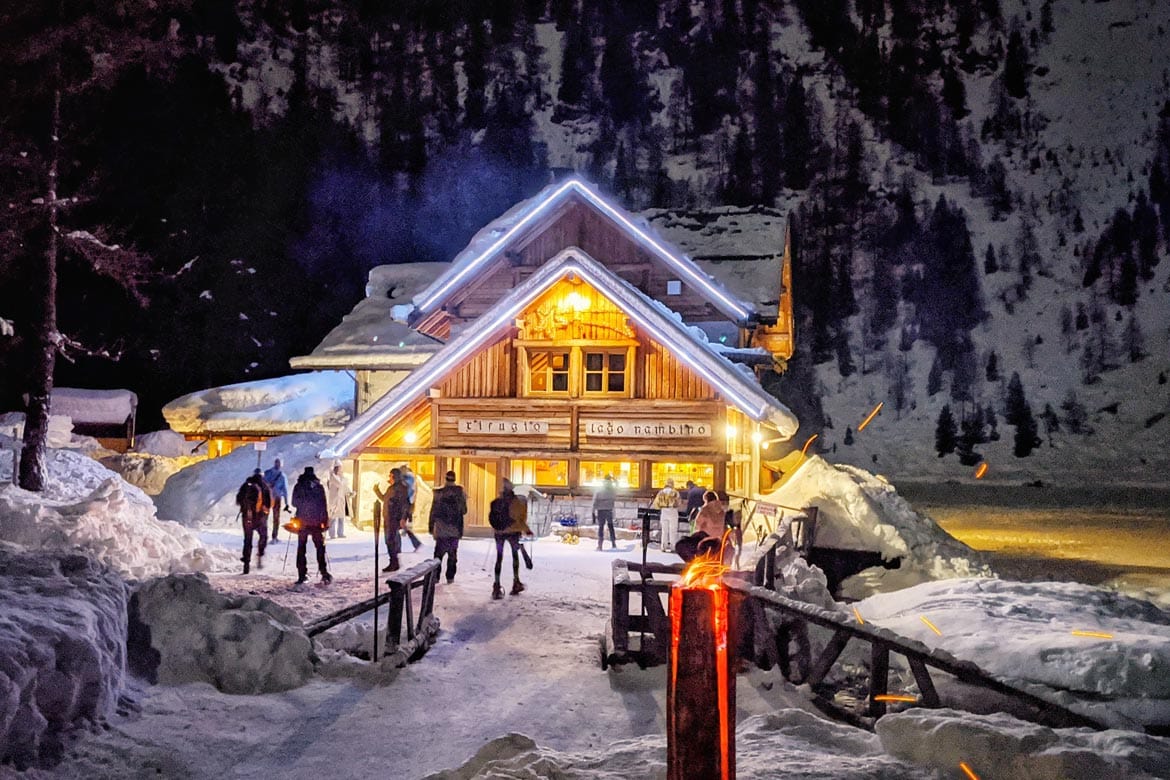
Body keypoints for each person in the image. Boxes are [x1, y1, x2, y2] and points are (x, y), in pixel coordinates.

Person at [490, 479, 531, 599]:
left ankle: (496, 586)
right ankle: (516, 582)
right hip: (513, 532)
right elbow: (520, 520)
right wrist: (526, 530)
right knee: (515, 557)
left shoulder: (497, 502)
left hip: (499, 533)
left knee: (499, 558)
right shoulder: (517, 502)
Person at [290, 466, 332, 585]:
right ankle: (324, 573)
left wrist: (302, 505)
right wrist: (325, 521)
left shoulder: (299, 486)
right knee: (319, 547)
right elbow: (323, 505)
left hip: (302, 521)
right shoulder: (318, 487)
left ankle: (302, 574)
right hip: (316, 522)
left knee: (301, 548)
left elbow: (294, 502)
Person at [428, 470, 466, 584]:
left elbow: (433, 511)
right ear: (455, 479)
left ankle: (435, 577)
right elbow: (464, 510)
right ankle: (450, 577)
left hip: (441, 529)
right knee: (452, 554)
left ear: (445, 478)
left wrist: (431, 527)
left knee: (438, 555)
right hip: (454, 530)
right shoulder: (460, 493)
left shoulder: (438, 493)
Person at [235, 469, 272, 574]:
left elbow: (238, 499)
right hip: (260, 518)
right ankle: (260, 554)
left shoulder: (246, 485)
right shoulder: (265, 486)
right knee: (263, 536)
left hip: (247, 517)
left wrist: (245, 508)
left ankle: (246, 562)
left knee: (247, 540)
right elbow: (269, 503)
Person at [373, 467, 410, 573]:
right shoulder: (392, 488)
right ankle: (393, 562)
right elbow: (385, 499)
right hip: (388, 519)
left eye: (390, 475)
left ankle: (394, 563)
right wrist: (377, 491)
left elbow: (405, 505)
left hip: (394, 519)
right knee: (389, 541)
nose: (389, 477)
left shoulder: (401, 489)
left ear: (394, 476)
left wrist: (403, 518)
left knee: (391, 541)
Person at [675, 490, 726, 562]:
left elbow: (698, 523)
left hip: (706, 537)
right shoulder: (722, 510)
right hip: (719, 538)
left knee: (682, 544)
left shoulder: (705, 509)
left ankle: (693, 562)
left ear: (706, 499)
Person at [263, 458, 290, 542]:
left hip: (267, 497)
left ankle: (264, 535)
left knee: (265, 517)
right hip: (277, 498)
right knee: (276, 518)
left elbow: (262, 483)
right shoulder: (282, 476)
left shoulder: (267, 473)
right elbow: (285, 490)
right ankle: (274, 537)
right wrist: (286, 503)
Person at [651, 478, 681, 554]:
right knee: (673, 530)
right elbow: (679, 502)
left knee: (664, 530)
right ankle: (672, 546)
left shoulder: (661, 492)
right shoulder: (675, 492)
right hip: (673, 511)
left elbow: (656, 504)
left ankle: (663, 546)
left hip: (664, 511)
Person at [325, 461, 352, 540]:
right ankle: (332, 534)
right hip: (334, 500)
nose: (339, 470)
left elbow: (345, 487)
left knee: (341, 518)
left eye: (340, 468)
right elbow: (339, 484)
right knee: (333, 518)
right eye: (338, 468)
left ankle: (340, 533)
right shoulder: (332, 477)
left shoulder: (342, 478)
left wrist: (350, 493)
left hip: (341, 501)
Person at [399, 464, 423, 552]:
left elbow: (408, 490)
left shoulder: (409, 478)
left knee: (401, 524)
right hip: (408, 503)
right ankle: (415, 542)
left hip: (407, 503)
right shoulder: (409, 478)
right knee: (402, 525)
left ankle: (415, 542)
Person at [591, 475, 617, 551]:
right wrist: (614, 480)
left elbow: (595, 499)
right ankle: (613, 543)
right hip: (609, 509)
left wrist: (593, 510)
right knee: (610, 526)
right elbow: (618, 489)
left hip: (601, 509)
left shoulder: (599, 488)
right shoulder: (612, 488)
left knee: (601, 527)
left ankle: (600, 545)